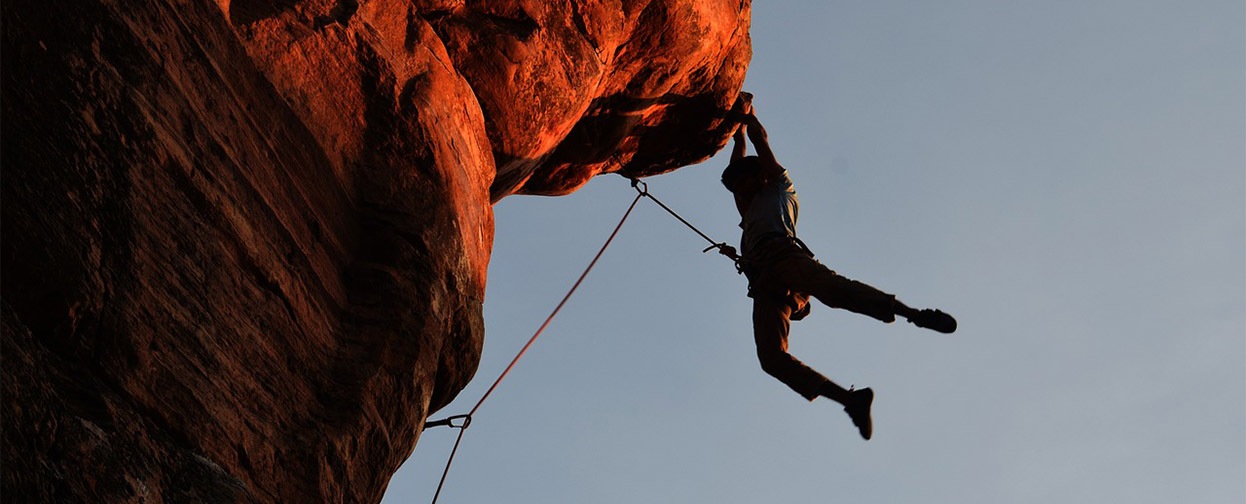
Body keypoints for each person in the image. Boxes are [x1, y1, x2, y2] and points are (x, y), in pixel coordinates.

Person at [719, 97, 956, 440]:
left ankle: (914, 314)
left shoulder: (780, 188)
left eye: (743, 182)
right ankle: (850, 399)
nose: (738, 191)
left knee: (834, 291)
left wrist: (748, 115)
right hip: (766, 282)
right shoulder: (749, 207)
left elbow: (760, 141)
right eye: (736, 185)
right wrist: (736, 133)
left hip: (784, 257)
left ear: (759, 178)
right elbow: (740, 153)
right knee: (771, 358)